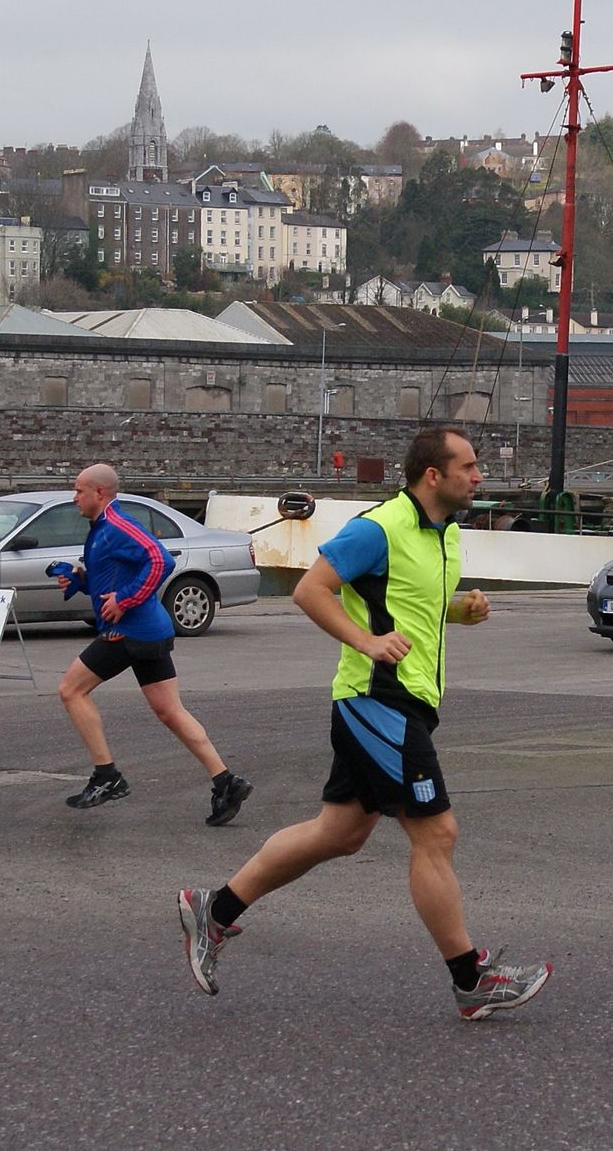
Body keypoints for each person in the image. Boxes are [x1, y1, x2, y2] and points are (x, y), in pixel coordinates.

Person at [177, 427, 552, 1021]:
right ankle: (470, 979)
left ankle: (214, 910)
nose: (480, 476)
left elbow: (414, 604)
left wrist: (461, 610)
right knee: (437, 833)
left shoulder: (447, 534)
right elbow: (310, 590)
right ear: (435, 475)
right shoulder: (379, 528)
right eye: (470, 466)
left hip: (409, 702)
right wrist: (367, 642)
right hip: (378, 700)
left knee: (340, 833)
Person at [51, 463, 251, 825]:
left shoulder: (117, 525)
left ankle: (107, 775)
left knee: (71, 691)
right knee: (170, 711)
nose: (74, 497)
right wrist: (80, 581)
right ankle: (226, 782)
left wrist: (124, 600)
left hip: (130, 632)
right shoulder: (101, 529)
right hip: (149, 632)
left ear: (100, 493)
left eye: (79, 490)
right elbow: (112, 575)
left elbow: (159, 559)